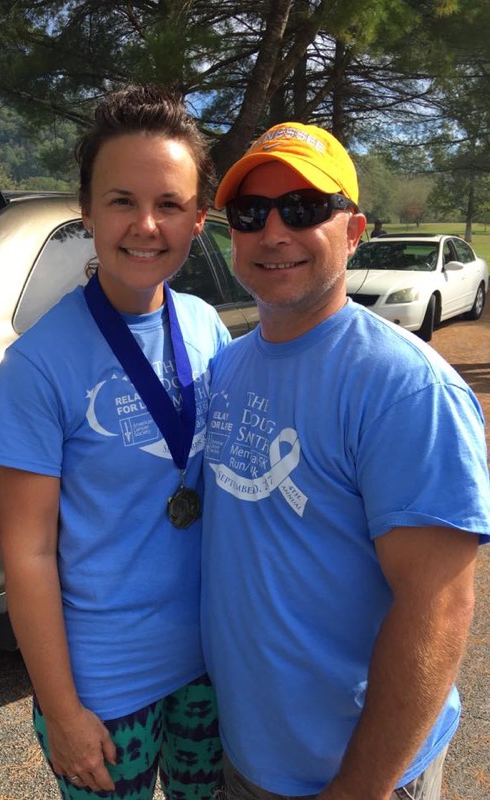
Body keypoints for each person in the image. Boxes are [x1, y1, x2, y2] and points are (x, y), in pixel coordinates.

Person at [200, 122, 490, 800]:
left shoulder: (405, 388)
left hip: (357, 775)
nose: (274, 232)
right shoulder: (228, 366)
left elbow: (439, 609)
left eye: (304, 209)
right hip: (245, 757)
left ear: (354, 231)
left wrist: (359, 789)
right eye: (251, 213)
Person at [0, 85, 229, 800]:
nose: (146, 225)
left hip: (212, 669)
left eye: (170, 204)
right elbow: (27, 554)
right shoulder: (38, 364)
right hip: (104, 688)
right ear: (86, 210)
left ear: (198, 219)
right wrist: (62, 711)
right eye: (122, 200)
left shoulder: (208, 326)